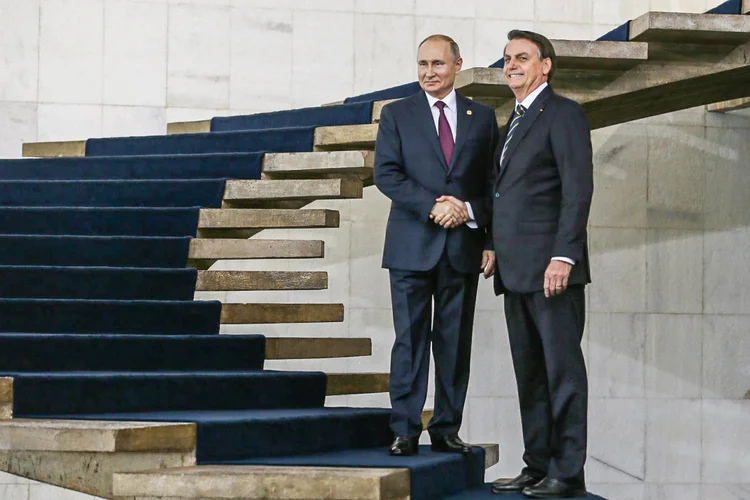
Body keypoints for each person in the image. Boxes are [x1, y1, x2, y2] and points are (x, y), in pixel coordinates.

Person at [374, 34, 498, 457]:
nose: (429, 72)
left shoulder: (482, 117)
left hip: (462, 248)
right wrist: (434, 207)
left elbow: (493, 185)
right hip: (411, 247)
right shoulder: (397, 114)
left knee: (453, 342)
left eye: (438, 65)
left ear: (457, 65)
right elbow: (386, 175)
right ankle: (405, 429)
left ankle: (446, 428)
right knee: (408, 340)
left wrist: (474, 218)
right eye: (423, 64)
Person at [488, 30, 593, 498]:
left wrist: (563, 255)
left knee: (561, 376)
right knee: (530, 376)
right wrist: (491, 243)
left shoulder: (564, 114)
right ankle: (537, 466)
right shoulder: (510, 121)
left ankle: (567, 474)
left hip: (553, 272)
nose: (512, 64)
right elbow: (504, 194)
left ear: (545, 65)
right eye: (508, 58)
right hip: (515, 272)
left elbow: (577, 190)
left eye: (523, 57)